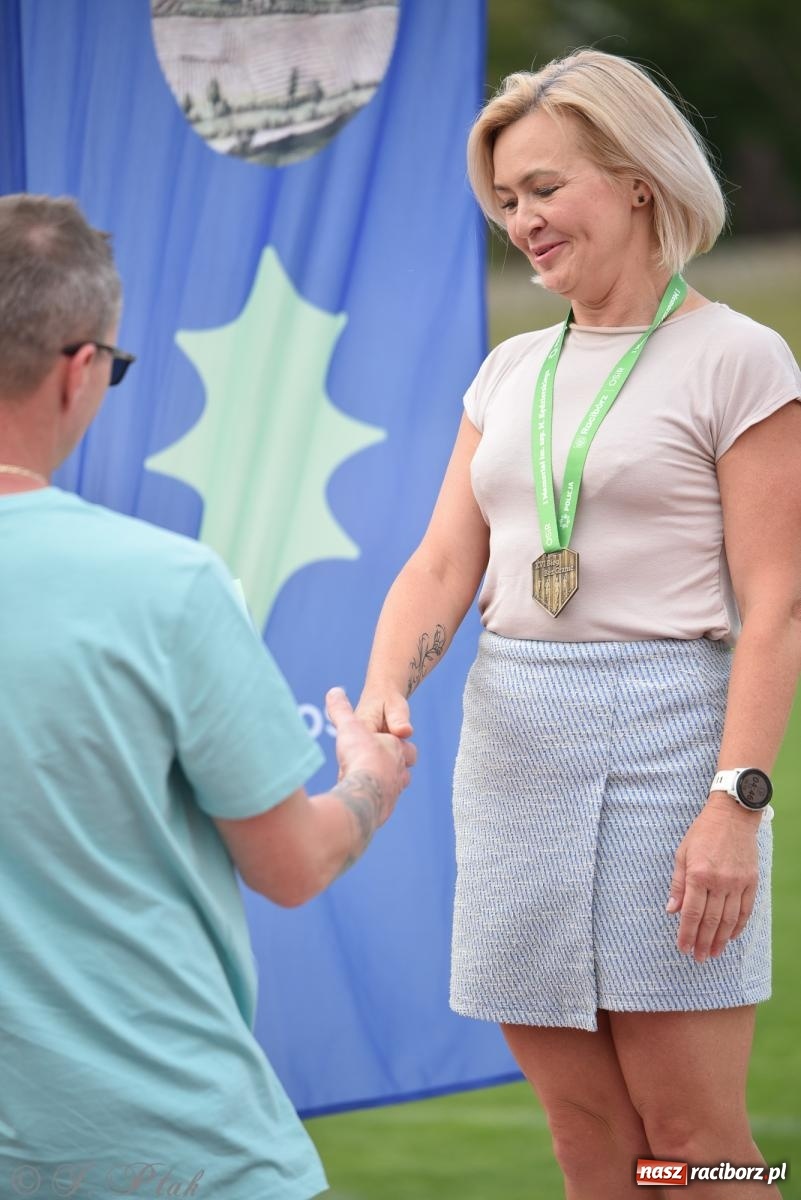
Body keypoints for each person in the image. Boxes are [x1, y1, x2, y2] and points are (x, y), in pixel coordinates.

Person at [356, 49, 801, 1200]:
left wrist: (735, 806)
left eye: (546, 188)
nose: (523, 222)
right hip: (514, 757)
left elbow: (779, 607)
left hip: (671, 750)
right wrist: (388, 683)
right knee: (586, 1139)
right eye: (506, 202)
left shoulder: (741, 359)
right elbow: (444, 562)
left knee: (698, 1144)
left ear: (636, 177)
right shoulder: (508, 370)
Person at [0, 193, 415, 1199]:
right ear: (79, 366)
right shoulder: (165, 584)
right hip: (169, 1144)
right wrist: (371, 779)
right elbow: (292, 863)